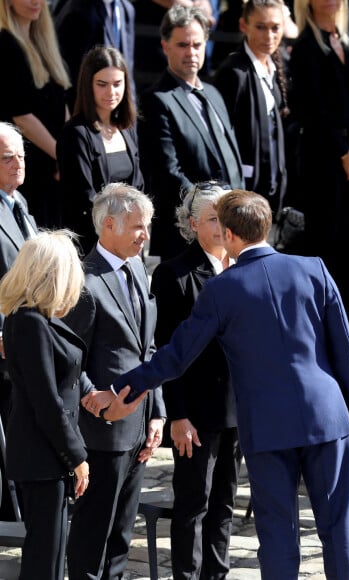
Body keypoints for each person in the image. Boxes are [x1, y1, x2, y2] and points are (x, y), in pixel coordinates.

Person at [87, 189, 349, 580]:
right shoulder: (314, 268)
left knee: (278, 532)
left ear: (230, 236)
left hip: (269, 428)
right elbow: (344, 348)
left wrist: (121, 391)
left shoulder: (223, 288)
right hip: (326, 415)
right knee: (339, 530)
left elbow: (174, 356)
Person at [64, 183, 166, 579]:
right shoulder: (86, 282)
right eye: (138, 227)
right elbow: (70, 357)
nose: (145, 235)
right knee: (94, 536)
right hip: (102, 434)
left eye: (148, 227)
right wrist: (94, 397)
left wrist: (156, 413)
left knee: (122, 536)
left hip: (139, 429)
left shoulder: (138, 267)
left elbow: (149, 348)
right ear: (109, 225)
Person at [150, 181, 240, 579]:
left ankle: (216, 574)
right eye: (213, 218)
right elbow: (169, 351)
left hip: (238, 406)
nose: (222, 226)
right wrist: (178, 415)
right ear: (192, 224)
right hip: (197, 411)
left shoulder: (243, 264)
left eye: (227, 216)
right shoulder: (174, 274)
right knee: (194, 502)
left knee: (225, 500)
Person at [0, 231, 91, 580]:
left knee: (51, 554)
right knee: (44, 557)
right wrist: (77, 456)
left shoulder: (35, 319)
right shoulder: (29, 323)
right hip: (42, 455)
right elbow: (46, 401)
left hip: (46, 454)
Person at [289, 0, 349, 330]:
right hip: (325, 161)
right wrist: (344, 154)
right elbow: (312, 111)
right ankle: (321, 333)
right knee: (326, 248)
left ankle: (344, 331)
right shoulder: (306, 47)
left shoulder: (347, 41)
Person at [138, 4, 244, 260]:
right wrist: (212, 209)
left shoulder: (214, 93)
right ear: (165, 47)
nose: (191, 53)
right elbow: (169, 173)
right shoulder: (156, 100)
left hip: (230, 230)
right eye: (182, 45)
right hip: (187, 239)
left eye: (197, 45)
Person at [57, 46, 143, 256]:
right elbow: (83, 199)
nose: (111, 92)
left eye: (117, 84)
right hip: (92, 248)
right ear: (88, 86)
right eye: (102, 84)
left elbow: (139, 187)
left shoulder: (127, 128)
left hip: (129, 243)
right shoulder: (75, 133)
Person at [212, 0, 289, 220]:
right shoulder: (233, 72)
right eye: (260, 27)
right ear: (244, 26)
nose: (269, 36)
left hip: (270, 188)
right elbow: (220, 136)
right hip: (243, 191)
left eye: (275, 28)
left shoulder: (273, 68)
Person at [0, 0, 70, 228]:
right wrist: (62, 154)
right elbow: (22, 117)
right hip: (28, 170)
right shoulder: (5, 43)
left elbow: (62, 104)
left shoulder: (44, 43)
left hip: (53, 169)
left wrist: (70, 148)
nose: (36, 1)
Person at [0, 122, 37, 521]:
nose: (17, 164)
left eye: (21, 156)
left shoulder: (19, 202)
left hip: (30, 334)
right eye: (7, 157)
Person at [53, 0, 136, 107]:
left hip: (117, 115)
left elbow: (128, 71)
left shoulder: (126, 9)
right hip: (86, 112)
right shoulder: (77, 9)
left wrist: (130, 118)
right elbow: (68, 72)